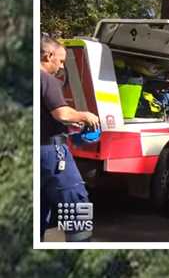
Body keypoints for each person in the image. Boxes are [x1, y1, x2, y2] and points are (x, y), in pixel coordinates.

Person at [39, 35, 98, 242]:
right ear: (49, 55)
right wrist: (85, 116)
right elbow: (61, 113)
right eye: (61, 61)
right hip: (51, 153)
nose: (61, 66)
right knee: (74, 199)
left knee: (40, 204)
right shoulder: (46, 79)